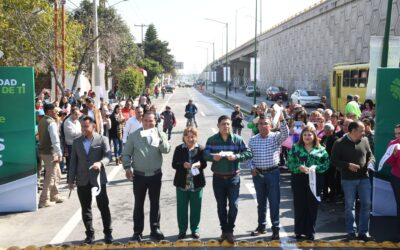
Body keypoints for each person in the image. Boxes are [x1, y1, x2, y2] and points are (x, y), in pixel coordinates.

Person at [122, 112, 171, 242]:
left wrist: (159, 140)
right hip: (139, 176)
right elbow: (126, 154)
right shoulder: (134, 136)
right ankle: (137, 231)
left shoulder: (160, 133)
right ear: (142, 121)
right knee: (139, 204)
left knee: (155, 203)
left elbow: (166, 149)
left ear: (155, 122)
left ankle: (155, 229)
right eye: (145, 121)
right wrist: (127, 167)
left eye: (151, 121)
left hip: (155, 174)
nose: (148, 124)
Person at [203, 115, 252, 243]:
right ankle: (224, 230)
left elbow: (248, 153)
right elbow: (205, 154)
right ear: (218, 125)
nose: (226, 126)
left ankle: (230, 230)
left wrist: (236, 157)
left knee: (234, 205)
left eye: (228, 124)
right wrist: (213, 157)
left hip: (233, 178)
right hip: (218, 178)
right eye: (223, 124)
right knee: (221, 206)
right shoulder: (212, 140)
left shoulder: (238, 139)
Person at [68, 116, 113, 244]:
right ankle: (89, 234)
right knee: (85, 208)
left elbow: (108, 155)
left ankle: (108, 233)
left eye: (86, 126)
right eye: (82, 126)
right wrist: (71, 180)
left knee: (103, 206)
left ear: (93, 126)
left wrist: (100, 163)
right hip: (82, 180)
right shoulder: (77, 142)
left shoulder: (102, 139)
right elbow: (73, 162)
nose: (84, 128)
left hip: (98, 180)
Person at [331, 121, 375, 241]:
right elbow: (333, 160)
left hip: (364, 177)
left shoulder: (365, 140)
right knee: (350, 206)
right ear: (353, 131)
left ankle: (363, 232)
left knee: (366, 204)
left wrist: (371, 161)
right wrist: (347, 165)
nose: (364, 132)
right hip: (348, 179)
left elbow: (370, 155)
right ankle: (351, 231)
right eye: (361, 130)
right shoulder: (339, 143)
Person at [248, 113, 288, 239]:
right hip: (258, 174)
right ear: (257, 126)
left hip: (272, 173)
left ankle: (275, 228)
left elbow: (285, 134)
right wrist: (251, 168)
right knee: (261, 202)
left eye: (265, 123)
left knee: (274, 202)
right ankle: (261, 226)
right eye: (260, 123)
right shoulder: (253, 140)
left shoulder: (275, 137)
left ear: (270, 125)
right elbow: (249, 157)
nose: (263, 126)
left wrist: (282, 120)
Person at [287, 125, 329, 240]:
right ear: (301, 136)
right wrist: (298, 167)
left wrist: (316, 168)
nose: (307, 137)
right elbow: (289, 163)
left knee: (312, 205)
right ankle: (298, 231)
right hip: (298, 179)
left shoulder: (321, 149)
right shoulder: (295, 148)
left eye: (309, 134)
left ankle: (310, 231)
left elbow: (326, 165)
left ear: (314, 136)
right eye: (304, 134)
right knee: (300, 204)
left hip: (315, 179)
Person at [172, 127, 207, 240]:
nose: (190, 139)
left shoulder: (201, 149)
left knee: (196, 209)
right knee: (181, 209)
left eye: (193, 136)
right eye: (188, 136)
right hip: (182, 184)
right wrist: (182, 165)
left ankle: (194, 229)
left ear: (196, 137)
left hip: (197, 184)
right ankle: (182, 230)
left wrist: (199, 164)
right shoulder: (179, 148)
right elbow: (174, 164)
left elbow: (205, 164)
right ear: (184, 137)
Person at [38, 103, 64, 208]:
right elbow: (55, 140)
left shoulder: (42, 121)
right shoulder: (51, 123)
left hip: (45, 151)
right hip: (51, 153)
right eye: (55, 111)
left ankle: (55, 195)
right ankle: (44, 200)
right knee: (51, 176)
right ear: (49, 111)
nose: (56, 112)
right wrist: (59, 153)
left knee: (57, 173)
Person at [384, 124, 400, 238]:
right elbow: (389, 162)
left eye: (399, 133)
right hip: (397, 178)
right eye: (396, 133)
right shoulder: (393, 143)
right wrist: (394, 156)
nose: (397, 136)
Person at [321, 123, 339, 201]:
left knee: (331, 180)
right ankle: (324, 195)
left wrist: (325, 148)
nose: (325, 132)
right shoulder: (324, 137)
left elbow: (334, 151)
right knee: (324, 179)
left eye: (327, 131)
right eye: (325, 130)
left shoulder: (335, 139)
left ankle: (331, 196)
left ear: (332, 131)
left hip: (331, 162)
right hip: (323, 161)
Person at [63, 106, 82, 177]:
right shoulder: (67, 122)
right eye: (76, 114)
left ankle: (76, 176)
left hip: (78, 143)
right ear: (71, 113)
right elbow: (72, 134)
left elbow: (78, 131)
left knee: (78, 161)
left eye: (78, 114)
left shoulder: (77, 121)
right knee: (71, 162)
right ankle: (70, 178)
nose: (78, 116)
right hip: (71, 145)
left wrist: (80, 133)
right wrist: (81, 132)